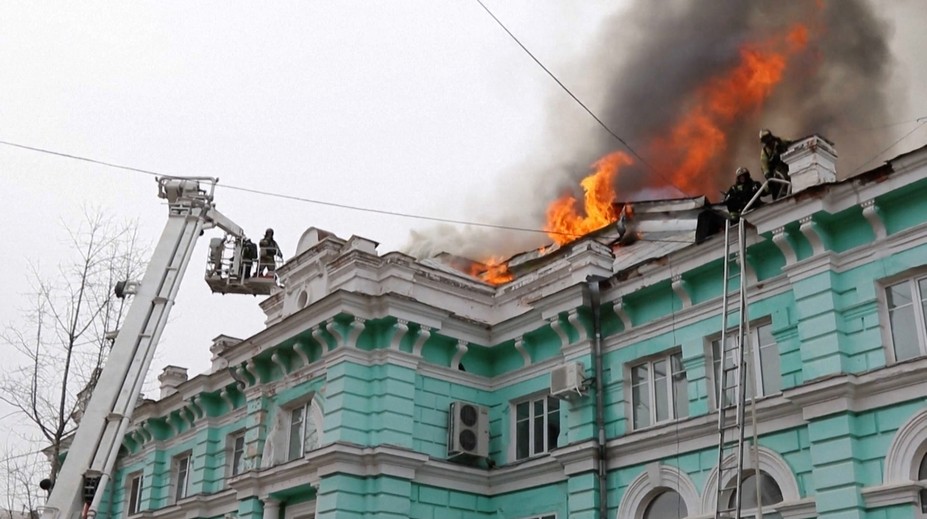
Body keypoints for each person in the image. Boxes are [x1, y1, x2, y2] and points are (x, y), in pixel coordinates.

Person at [759, 128, 793, 199]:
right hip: (775, 172)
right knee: (773, 186)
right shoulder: (764, 152)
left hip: (786, 165)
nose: (768, 141)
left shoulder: (779, 142)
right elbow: (764, 165)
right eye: (765, 139)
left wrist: (781, 143)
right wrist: (767, 174)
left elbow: (791, 142)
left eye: (768, 138)